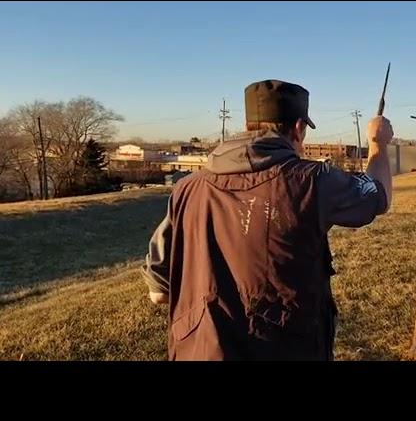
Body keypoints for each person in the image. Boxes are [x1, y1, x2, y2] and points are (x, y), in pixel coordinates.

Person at [141, 79, 394, 360]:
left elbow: (159, 291)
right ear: (299, 128)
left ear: (250, 125)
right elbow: (377, 197)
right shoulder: (312, 181)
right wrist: (378, 143)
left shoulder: (186, 188)